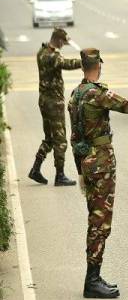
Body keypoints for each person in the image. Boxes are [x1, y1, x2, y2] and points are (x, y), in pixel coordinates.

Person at [68, 48, 128, 300]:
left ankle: (94, 276)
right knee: (100, 223)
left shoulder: (75, 95)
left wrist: (80, 169)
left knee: (95, 219)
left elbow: (74, 137)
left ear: (82, 67)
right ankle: (92, 280)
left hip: (87, 163)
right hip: (101, 164)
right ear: (98, 67)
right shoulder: (97, 95)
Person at [29, 28, 82, 187]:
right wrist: (86, 61)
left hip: (44, 101)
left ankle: (35, 169)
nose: (63, 45)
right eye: (63, 43)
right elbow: (66, 64)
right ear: (59, 40)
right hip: (53, 102)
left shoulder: (42, 52)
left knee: (49, 138)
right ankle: (60, 175)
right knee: (60, 140)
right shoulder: (52, 56)